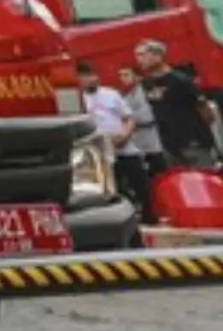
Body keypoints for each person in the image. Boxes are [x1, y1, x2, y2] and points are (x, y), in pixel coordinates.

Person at [135, 39, 220, 168]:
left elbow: (204, 108)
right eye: (137, 55)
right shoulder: (146, 83)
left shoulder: (180, 80)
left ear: (158, 56)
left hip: (193, 142)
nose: (139, 59)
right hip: (169, 144)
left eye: (142, 54)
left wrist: (202, 136)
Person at [78, 62, 143, 215]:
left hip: (124, 147)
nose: (93, 79)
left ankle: (149, 214)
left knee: (140, 182)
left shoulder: (111, 94)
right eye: (87, 76)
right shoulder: (79, 99)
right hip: (100, 152)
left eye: (94, 75)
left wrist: (125, 135)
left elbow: (129, 118)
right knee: (114, 188)